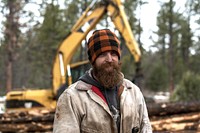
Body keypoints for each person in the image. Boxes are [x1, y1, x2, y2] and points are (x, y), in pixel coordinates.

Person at [53, 29, 152, 133]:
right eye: (102, 54)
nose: (109, 59)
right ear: (93, 61)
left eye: (113, 54)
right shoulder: (72, 98)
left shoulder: (133, 92)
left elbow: (145, 128)